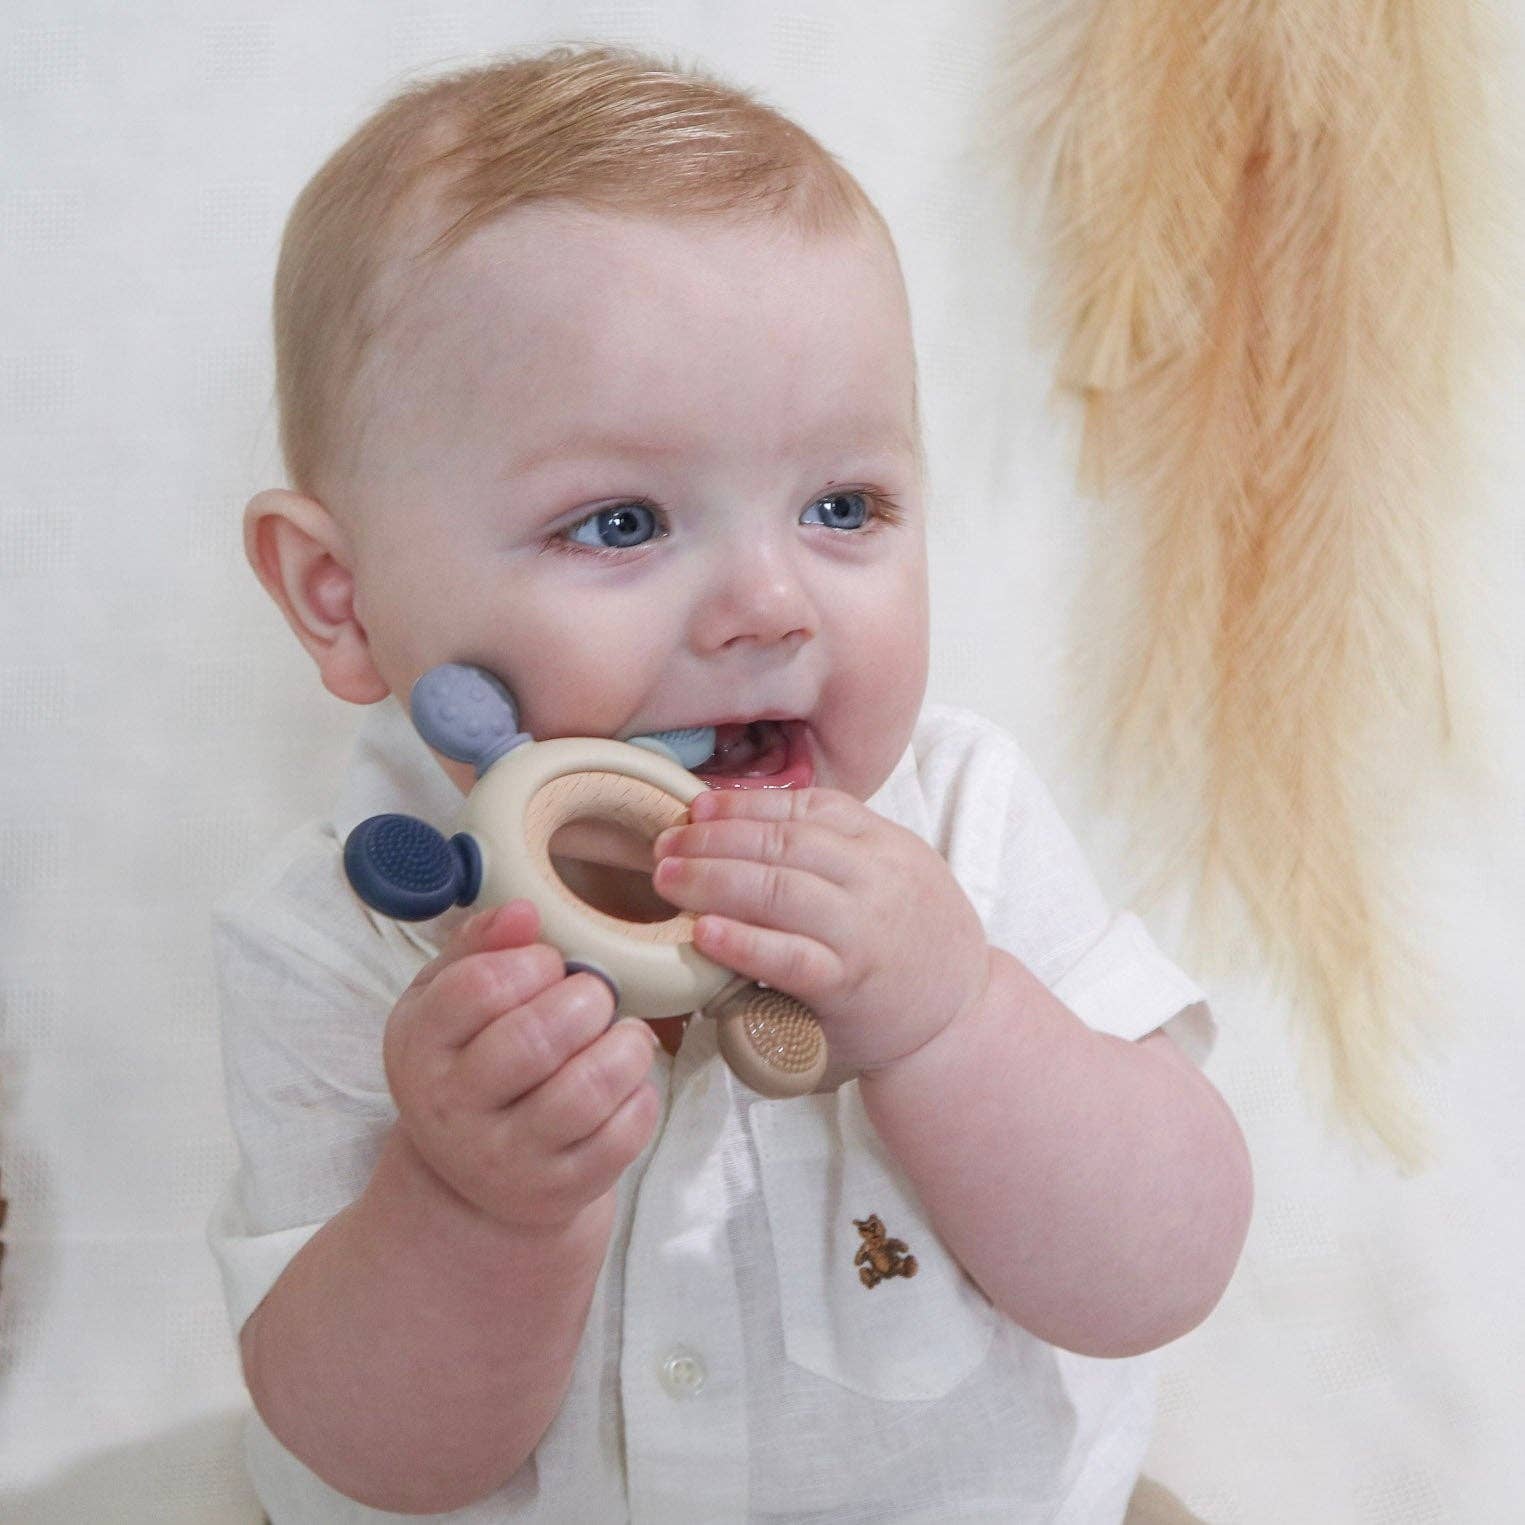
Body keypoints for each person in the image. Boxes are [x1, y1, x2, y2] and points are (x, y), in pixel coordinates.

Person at [209, 44, 1252, 1523]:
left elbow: (1158, 1270)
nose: (770, 603)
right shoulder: (338, 931)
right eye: (621, 520)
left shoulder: (960, 820)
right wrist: (470, 1204)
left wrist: (954, 1015)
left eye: (844, 505)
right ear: (339, 594)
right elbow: (365, 1451)